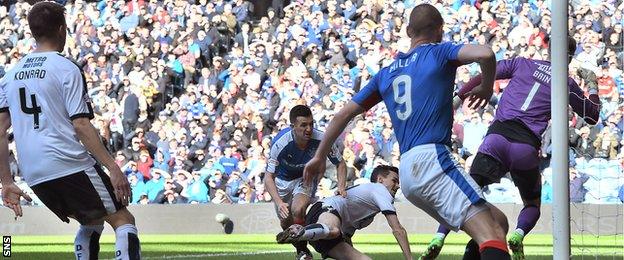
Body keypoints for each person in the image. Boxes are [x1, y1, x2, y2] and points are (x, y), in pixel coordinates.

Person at [303, 4, 511, 260]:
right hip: (433, 159)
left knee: (498, 222)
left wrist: (320, 155)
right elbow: (486, 53)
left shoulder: (385, 74)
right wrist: (487, 87)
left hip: (409, 173)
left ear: (408, 30)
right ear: (440, 31)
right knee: (492, 234)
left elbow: (342, 115)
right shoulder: (439, 52)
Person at [421, 36, 601, 260]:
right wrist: (592, 86)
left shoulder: (521, 63)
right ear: (571, 57)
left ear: (548, 50)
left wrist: (458, 99)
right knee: (532, 204)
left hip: (496, 139)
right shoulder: (567, 83)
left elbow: (485, 74)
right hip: (525, 148)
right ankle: (518, 233)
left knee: (463, 193)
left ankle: (438, 237)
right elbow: (592, 116)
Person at [0, 2, 140, 260]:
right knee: (123, 219)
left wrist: (7, 182)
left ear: (32, 32)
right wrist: (113, 168)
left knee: (92, 221)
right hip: (67, 161)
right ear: (62, 28)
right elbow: (81, 125)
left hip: (34, 172)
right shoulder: (66, 68)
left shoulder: (10, 76)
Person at [264, 104, 347, 260]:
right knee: (286, 223)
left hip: (305, 177)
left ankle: (309, 240)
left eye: (311, 124)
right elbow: (268, 177)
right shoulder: (280, 143)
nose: (308, 129)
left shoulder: (322, 139)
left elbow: (340, 163)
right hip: (282, 182)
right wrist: (279, 202)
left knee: (298, 209)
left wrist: (342, 186)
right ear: (292, 126)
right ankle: (302, 249)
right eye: (303, 125)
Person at [277, 165, 412, 260]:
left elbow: (346, 235)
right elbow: (398, 230)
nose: (398, 185)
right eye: (394, 180)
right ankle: (299, 232)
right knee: (334, 230)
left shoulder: (367, 208)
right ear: (380, 180)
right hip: (324, 210)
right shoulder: (380, 189)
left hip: (323, 233)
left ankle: (301, 234)